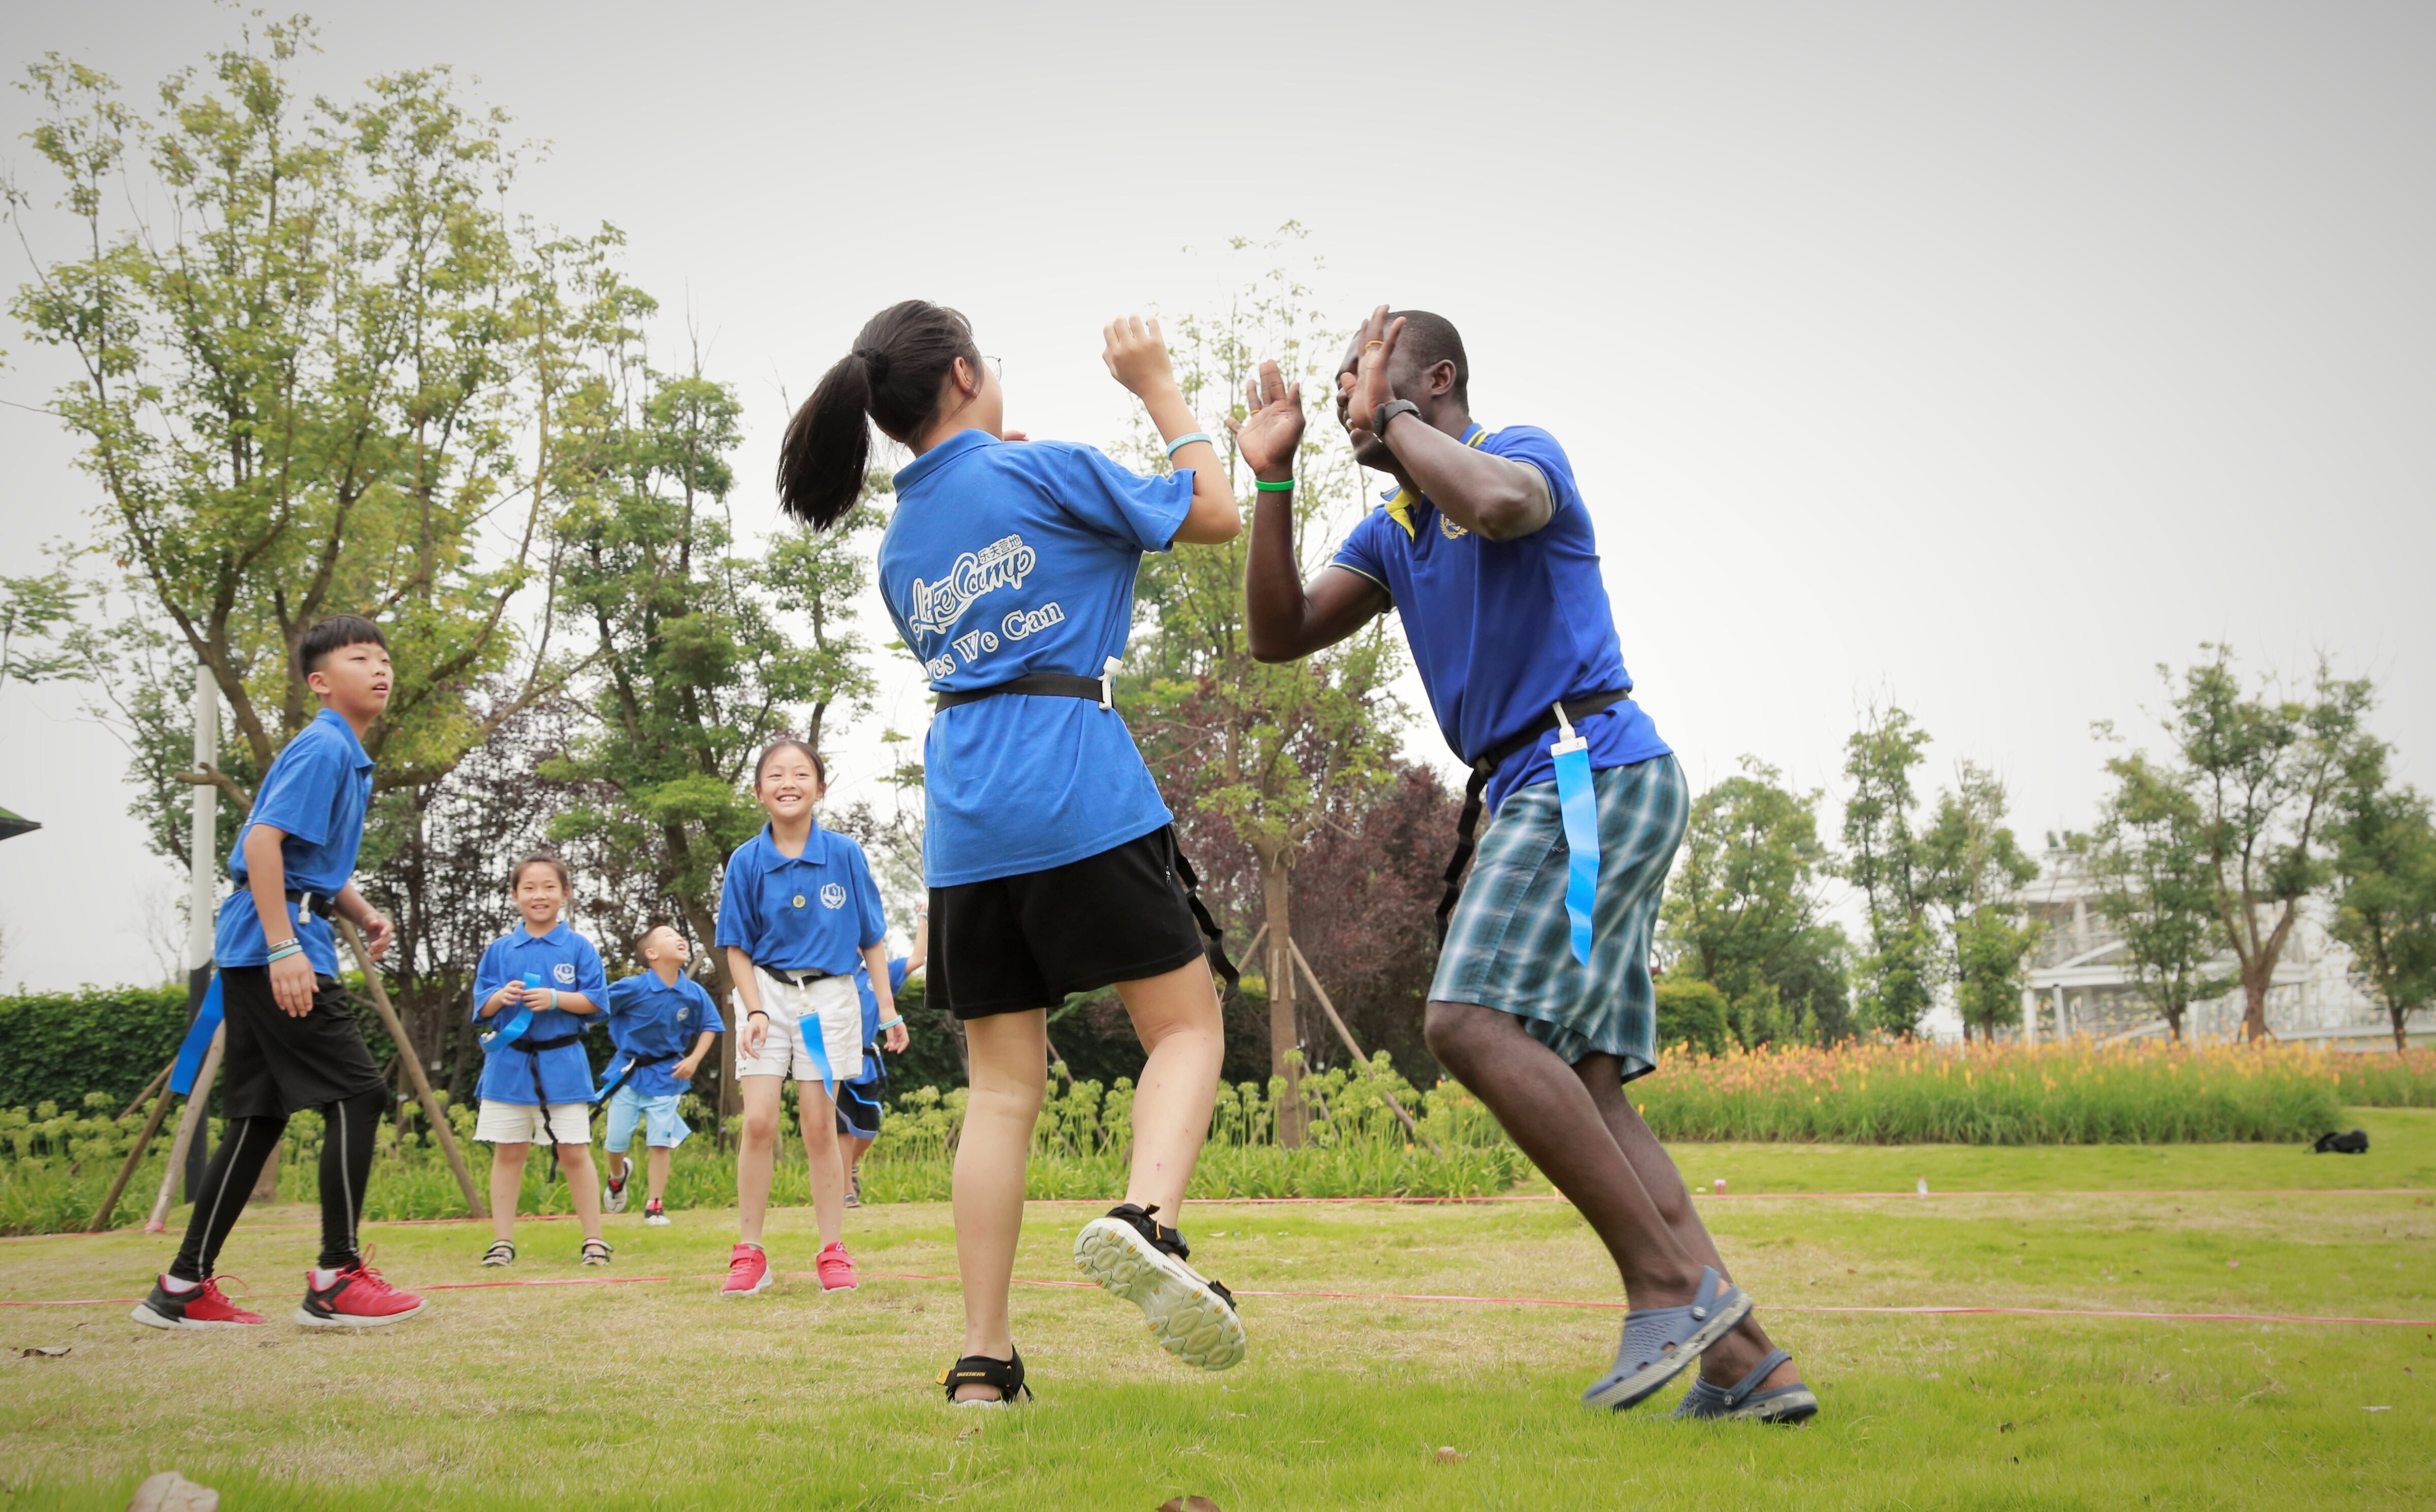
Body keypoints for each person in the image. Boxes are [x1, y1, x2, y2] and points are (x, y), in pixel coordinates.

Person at [1239, 307, 1817, 1425]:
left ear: (1432, 381)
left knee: (1465, 1021)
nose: (1345, 394)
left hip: (1583, 767)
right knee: (1590, 1087)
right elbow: (1278, 632)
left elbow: (1500, 507)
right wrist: (1271, 481)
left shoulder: (1520, 454)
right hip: (1549, 785)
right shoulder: (1396, 532)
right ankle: (1748, 1361)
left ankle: (1662, 1287)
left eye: (1360, 375)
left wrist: (1391, 415)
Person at [775, 301, 1251, 1405]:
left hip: (966, 821)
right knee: (1184, 1027)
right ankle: (1146, 1219)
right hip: (1074, 782)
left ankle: (982, 1360)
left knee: (999, 1091)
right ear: (962, 374)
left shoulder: (899, 546)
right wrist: (1156, 386)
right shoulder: (1045, 474)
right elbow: (1217, 512)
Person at [132, 614, 427, 1331]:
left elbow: (305, 860)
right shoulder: (325, 745)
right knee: (358, 1093)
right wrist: (283, 947)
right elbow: (261, 843)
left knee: (258, 1117)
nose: (381, 669)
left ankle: (182, 1284)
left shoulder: (344, 754)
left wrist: (358, 910)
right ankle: (336, 1276)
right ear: (321, 681)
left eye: (385, 658)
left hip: (275, 930)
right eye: (361, 658)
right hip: (275, 940)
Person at [716, 739, 902, 1297]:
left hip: (831, 999)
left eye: (802, 773)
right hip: (766, 997)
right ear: (758, 791)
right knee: (759, 1123)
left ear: (821, 789)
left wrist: (889, 1010)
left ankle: (832, 1250)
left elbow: (872, 938)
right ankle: (750, 1252)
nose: (788, 781)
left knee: (822, 1127)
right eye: (776, 774)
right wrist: (752, 1007)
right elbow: (735, 947)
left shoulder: (845, 853)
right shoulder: (746, 861)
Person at [471, 852, 612, 1268]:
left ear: (565, 894)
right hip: (508, 1067)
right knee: (509, 1152)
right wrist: (502, 997)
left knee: (574, 1151)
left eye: (549, 887)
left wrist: (554, 998)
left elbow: (595, 1002)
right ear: (515, 895)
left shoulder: (579, 946)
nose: (539, 895)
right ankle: (501, 1241)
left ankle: (594, 1240)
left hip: (564, 1064)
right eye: (529, 887)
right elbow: (482, 1006)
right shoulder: (500, 950)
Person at [599, 922, 722, 1226]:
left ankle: (655, 1205)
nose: (680, 939)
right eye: (670, 936)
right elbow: (594, 1005)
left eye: (681, 936)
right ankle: (617, 1176)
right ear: (651, 954)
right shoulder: (632, 987)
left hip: (668, 1077)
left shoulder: (693, 993)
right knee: (616, 1142)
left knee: (660, 1143)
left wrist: (694, 1059)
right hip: (628, 1074)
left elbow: (710, 1026)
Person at [838, 905, 925, 1207]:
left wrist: (923, 918)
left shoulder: (884, 972)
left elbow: (918, 959)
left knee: (869, 1126)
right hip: (836, 1058)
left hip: (866, 1062)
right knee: (842, 1127)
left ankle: (848, 1168)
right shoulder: (838, 970)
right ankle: (846, 1190)